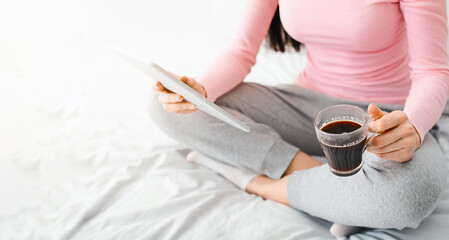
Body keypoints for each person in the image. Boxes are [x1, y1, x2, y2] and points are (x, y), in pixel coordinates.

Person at [150, 0, 449, 237]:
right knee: (165, 104)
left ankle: (260, 184)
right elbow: (241, 51)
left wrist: (412, 125)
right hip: (306, 106)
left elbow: (433, 72)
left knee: (409, 196)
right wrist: (200, 92)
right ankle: (334, 192)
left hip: (383, 116)